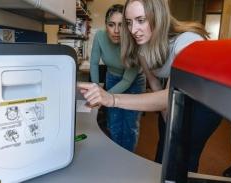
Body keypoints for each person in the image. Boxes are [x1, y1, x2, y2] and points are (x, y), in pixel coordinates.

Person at [78, 0, 222, 172]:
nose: (132, 30)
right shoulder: (143, 47)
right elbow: (154, 83)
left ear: (158, 16)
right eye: (129, 22)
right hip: (173, 94)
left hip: (204, 103)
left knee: (184, 155)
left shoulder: (187, 41)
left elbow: (169, 96)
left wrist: (111, 98)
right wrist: (167, 118)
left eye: (141, 20)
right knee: (165, 146)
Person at [89, 4, 146, 152]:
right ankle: (115, 155)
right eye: (111, 24)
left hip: (134, 82)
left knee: (129, 124)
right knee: (113, 121)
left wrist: (104, 96)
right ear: (105, 25)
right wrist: (96, 89)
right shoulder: (100, 36)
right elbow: (94, 63)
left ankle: (128, 159)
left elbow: (127, 80)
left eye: (121, 25)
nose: (116, 31)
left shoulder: (134, 42)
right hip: (112, 77)